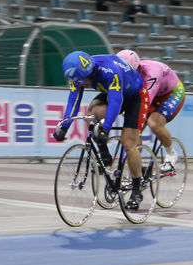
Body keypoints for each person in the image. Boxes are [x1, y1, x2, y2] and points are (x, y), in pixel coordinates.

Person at [54, 51, 150, 210]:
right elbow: (74, 101)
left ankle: (137, 188)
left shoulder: (109, 71)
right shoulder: (79, 75)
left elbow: (115, 101)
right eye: (75, 81)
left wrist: (106, 129)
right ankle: (105, 155)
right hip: (114, 91)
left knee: (128, 143)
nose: (79, 84)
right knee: (92, 112)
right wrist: (64, 126)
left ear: (89, 72)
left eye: (81, 80)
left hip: (135, 96)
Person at [116, 49, 186, 171]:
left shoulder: (151, 73)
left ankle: (171, 153)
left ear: (137, 68)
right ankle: (137, 168)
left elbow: (145, 101)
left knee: (154, 122)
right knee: (133, 131)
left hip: (171, 93)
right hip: (152, 94)